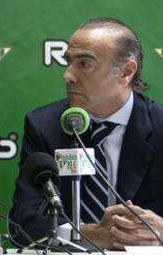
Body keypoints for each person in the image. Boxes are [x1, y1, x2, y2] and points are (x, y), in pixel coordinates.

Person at [10, 17, 163, 250]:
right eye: (68, 62)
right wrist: (83, 234)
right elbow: (23, 221)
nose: (68, 75)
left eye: (84, 64)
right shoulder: (44, 126)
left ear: (126, 71)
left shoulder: (160, 126)